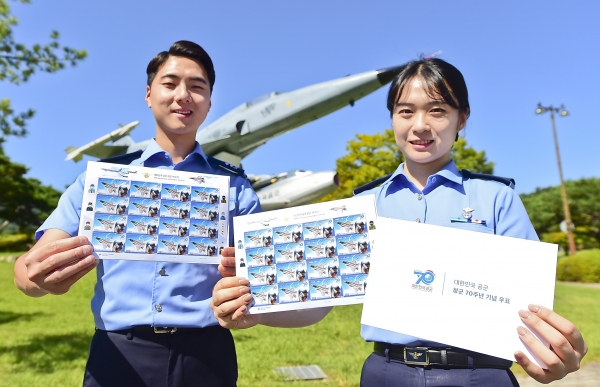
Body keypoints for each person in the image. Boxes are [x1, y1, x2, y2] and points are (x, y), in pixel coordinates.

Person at [210, 57, 587, 386]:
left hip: (480, 376)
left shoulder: (496, 198)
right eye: (405, 111)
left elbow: (530, 305)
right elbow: (320, 301)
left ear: (462, 119)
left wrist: (555, 352)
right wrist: (254, 309)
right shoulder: (361, 207)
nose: (420, 124)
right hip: (386, 373)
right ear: (392, 118)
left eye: (437, 110)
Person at [13, 40, 329, 387]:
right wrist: (37, 277)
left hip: (207, 359)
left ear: (209, 102)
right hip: (117, 356)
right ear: (148, 94)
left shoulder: (236, 188)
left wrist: (261, 301)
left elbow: (272, 281)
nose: (183, 95)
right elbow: (27, 272)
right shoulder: (99, 180)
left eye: (197, 87)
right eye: (170, 83)